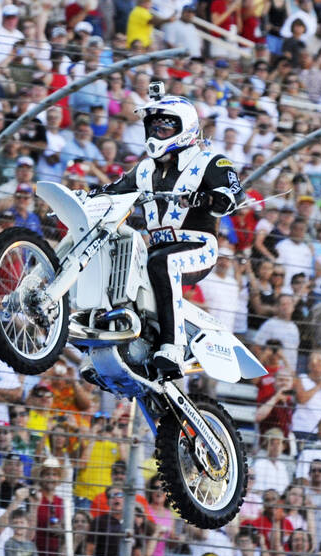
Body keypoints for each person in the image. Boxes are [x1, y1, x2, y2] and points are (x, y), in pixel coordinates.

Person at [90, 84, 246, 374]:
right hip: (157, 247)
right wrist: (87, 195)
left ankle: (172, 348)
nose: (155, 134)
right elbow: (113, 190)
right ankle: (114, 344)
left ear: (183, 129)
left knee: (163, 264)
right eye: (153, 127)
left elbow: (235, 194)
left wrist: (210, 197)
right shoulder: (144, 168)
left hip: (198, 247)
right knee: (117, 262)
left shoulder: (209, 160)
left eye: (164, 127)